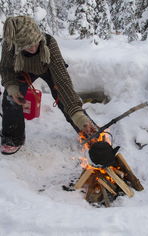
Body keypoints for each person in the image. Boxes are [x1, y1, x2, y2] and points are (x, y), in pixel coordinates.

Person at [0, 16, 98, 155]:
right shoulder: (9, 46)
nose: (33, 48)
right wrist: (13, 88)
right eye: (28, 46)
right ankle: (12, 139)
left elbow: (63, 81)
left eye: (35, 43)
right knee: (11, 99)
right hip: (21, 69)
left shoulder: (49, 43)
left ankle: (87, 128)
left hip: (48, 68)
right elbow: (6, 69)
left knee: (62, 96)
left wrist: (78, 115)